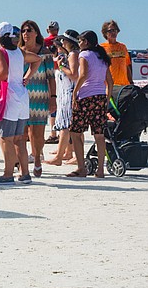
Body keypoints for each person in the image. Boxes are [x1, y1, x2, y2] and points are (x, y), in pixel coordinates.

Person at [0, 22, 41, 185]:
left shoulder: (0, 52)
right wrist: (27, 77)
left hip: (9, 96)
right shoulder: (20, 52)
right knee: (19, 139)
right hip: (23, 96)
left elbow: (3, 73)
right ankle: (25, 173)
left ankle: (7, 173)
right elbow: (37, 59)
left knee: (6, 138)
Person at [68, 30, 113, 178]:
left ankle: (81, 168)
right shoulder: (102, 57)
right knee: (99, 135)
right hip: (100, 97)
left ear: (86, 42)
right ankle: (100, 170)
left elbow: (83, 75)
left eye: (80, 41)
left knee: (76, 132)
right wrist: (107, 98)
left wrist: (75, 92)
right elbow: (110, 81)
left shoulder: (84, 55)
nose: (79, 44)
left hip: (86, 96)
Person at [18, 20, 56, 178]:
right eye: (23, 30)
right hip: (21, 96)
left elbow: (51, 78)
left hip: (40, 96)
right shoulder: (18, 52)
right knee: (21, 133)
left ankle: (38, 159)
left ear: (36, 33)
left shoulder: (45, 52)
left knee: (37, 133)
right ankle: (23, 165)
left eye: (29, 30)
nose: (25, 33)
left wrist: (53, 97)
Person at [45, 30, 80, 165]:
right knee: (70, 127)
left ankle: (60, 156)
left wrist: (61, 67)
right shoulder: (70, 54)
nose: (61, 43)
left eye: (63, 41)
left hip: (69, 93)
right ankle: (68, 153)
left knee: (66, 126)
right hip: (65, 93)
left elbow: (73, 74)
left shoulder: (73, 55)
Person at [100, 19, 132, 90]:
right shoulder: (102, 48)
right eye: (110, 30)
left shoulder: (123, 47)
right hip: (110, 85)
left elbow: (127, 66)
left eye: (115, 30)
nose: (113, 32)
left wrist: (131, 81)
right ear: (105, 33)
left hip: (124, 85)